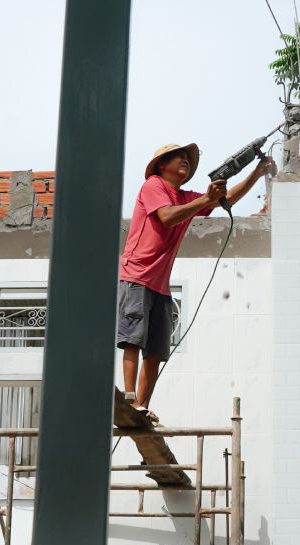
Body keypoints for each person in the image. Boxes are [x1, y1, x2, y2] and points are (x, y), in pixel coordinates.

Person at [116, 142, 274, 422]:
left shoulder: (183, 196)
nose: (184, 161)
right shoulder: (154, 185)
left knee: (155, 351)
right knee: (133, 341)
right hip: (137, 275)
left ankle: (141, 405)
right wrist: (204, 200)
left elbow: (226, 200)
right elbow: (165, 217)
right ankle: (130, 400)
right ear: (161, 165)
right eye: (177, 157)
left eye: (186, 158)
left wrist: (257, 172)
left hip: (160, 283)